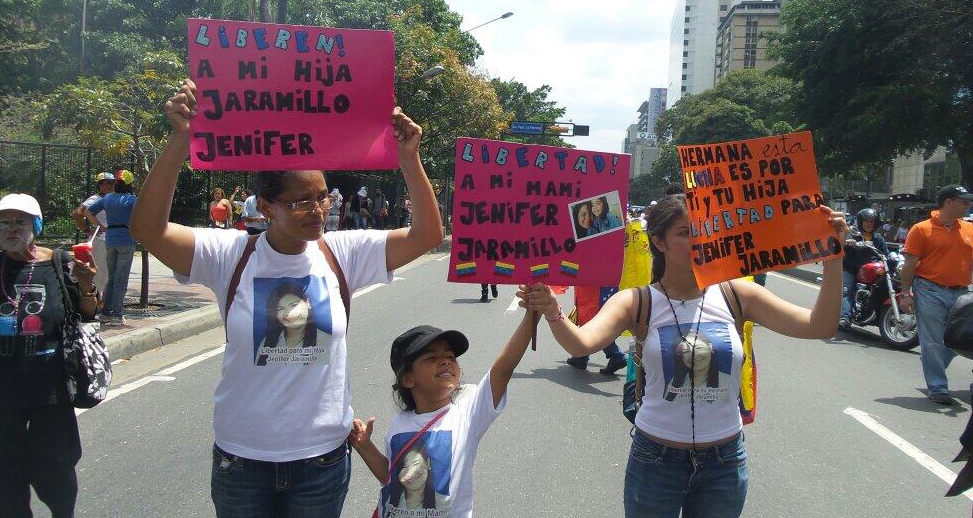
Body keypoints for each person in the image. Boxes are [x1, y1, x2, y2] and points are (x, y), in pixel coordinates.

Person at [130, 78, 443, 517]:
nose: (317, 211)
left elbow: (428, 234)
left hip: (321, 459)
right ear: (266, 206)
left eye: (321, 198)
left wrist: (409, 158)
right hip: (242, 459)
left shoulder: (342, 254)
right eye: (300, 202)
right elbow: (148, 230)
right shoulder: (230, 255)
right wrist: (180, 142)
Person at [520, 194, 846, 518]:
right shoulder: (636, 302)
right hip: (655, 461)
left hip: (724, 463)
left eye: (704, 231)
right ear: (659, 242)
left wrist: (833, 258)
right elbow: (582, 344)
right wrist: (553, 312)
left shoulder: (738, 294)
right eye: (686, 233)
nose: (699, 241)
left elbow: (820, 325)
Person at [0, 193, 98, 517]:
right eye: (4, 222)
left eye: (20, 222)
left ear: (36, 225)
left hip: (51, 392)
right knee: (2, 479)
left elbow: (87, 313)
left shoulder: (60, 263)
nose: (11, 229)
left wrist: (86, 284)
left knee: (56, 469)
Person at [349, 312, 537, 518]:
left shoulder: (467, 415)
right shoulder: (399, 423)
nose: (446, 362)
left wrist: (531, 316)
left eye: (450, 357)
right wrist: (365, 447)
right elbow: (392, 478)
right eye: (431, 357)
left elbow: (503, 369)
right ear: (408, 379)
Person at [899, 184, 973, 406]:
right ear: (948, 202)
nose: (968, 204)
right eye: (964, 201)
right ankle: (938, 387)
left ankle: (933, 359)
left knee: (961, 340)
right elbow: (909, 264)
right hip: (930, 289)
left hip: (961, 293)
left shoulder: (969, 230)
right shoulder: (921, 229)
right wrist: (905, 293)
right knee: (932, 340)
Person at [88, 170, 137, 325]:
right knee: (121, 278)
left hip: (110, 238)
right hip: (126, 238)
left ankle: (105, 312)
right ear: (129, 184)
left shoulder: (108, 198)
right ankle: (117, 314)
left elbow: (88, 212)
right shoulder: (132, 199)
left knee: (111, 278)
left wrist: (100, 226)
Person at [839, 208, 891, 329]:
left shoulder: (878, 238)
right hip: (852, 267)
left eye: (871, 222)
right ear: (861, 222)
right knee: (847, 290)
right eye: (866, 221)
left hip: (871, 270)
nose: (869, 224)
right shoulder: (853, 235)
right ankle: (845, 317)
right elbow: (841, 244)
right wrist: (848, 242)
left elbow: (885, 254)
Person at [73, 171, 115, 292]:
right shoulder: (95, 199)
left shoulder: (111, 198)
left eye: (113, 183)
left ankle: (104, 299)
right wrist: (88, 230)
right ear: (100, 185)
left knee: (108, 272)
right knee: (101, 273)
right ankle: (98, 300)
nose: (111, 186)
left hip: (110, 240)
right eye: (108, 183)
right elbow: (77, 214)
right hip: (100, 241)